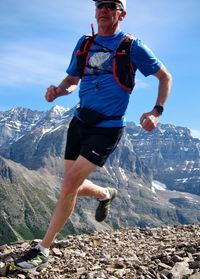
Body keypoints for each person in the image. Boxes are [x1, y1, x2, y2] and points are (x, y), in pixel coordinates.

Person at [12, 0, 172, 273]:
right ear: (95, 10)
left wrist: (156, 111)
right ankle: (104, 193)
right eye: (100, 4)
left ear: (122, 13)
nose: (104, 9)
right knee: (70, 183)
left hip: (107, 128)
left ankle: (43, 250)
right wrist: (57, 91)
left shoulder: (132, 46)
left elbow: (165, 77)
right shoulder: (84, 43)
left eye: (112, 5)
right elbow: (72, 80)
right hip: (79, 121)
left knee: (69, 184)